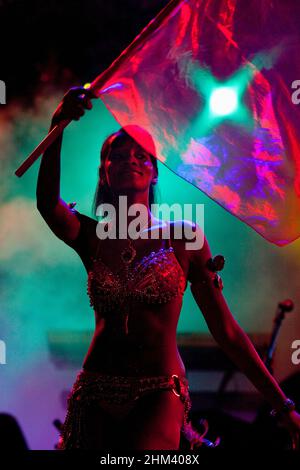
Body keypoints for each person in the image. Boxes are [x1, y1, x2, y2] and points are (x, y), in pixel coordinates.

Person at [36, 86, 300, 450]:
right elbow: (48, 204)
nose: (130, 158)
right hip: (95, 389)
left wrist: (283, 405)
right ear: (105, 172)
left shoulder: (184, 237)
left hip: (158, 391)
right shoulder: (91, 236)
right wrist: (59, 124)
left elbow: (226, 330)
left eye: (141, 154)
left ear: (155, 173)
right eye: (118, 153)